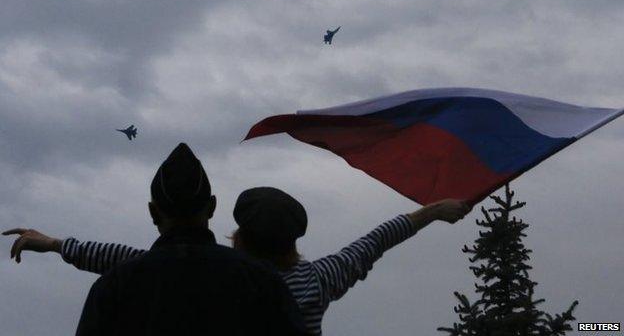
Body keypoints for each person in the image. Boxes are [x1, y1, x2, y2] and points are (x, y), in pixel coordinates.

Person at [5, 188, 470, 336]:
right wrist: (431, 212)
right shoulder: (317, 280)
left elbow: (121, 260)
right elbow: (374, 241)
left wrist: (53, 244)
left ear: (238, 234)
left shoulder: (216, 275)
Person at [4, 144, 306, 336]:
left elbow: (119, 258)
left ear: (152, 212)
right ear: (212, 207)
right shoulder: (262, 282)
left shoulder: (117, 285)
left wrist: (57, 245)